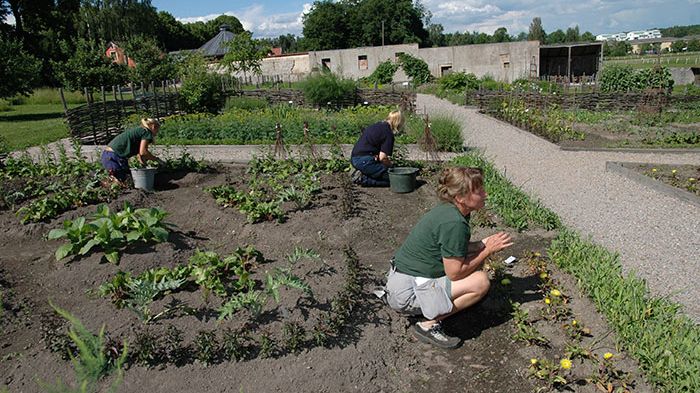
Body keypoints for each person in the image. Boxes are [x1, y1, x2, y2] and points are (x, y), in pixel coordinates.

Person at [383, 166, 513, 349]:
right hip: (406, 294)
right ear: (461, 198)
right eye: (479, 191)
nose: (486, 194)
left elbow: (451, 247)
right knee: (480, 282)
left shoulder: (449, 211)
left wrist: (480, 245)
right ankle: (428, 325)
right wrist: (487, 251)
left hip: (400, 283)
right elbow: (455, 273)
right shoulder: (454, 223)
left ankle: (430, 307)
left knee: (475, 264)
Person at [350, 110, 404, 187]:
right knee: (396, 180)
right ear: (398, 122)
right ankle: (362, 179)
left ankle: (363, 172)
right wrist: (391, 167)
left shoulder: (377, 125)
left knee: (383, 173)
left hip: (355, 158)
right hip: (364, 161)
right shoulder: (388, 133)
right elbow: (383, 158)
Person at [101, 118, 162, 183]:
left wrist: (144, 167)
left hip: (108, 155)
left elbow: (140, 155)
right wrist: (157, 160)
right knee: (121, 182)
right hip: (114, 156)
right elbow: (143, 152)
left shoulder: (140, 131)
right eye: (157, 130)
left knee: (126, 181)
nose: (157, 133)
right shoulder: (146, 132)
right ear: (153, 127)